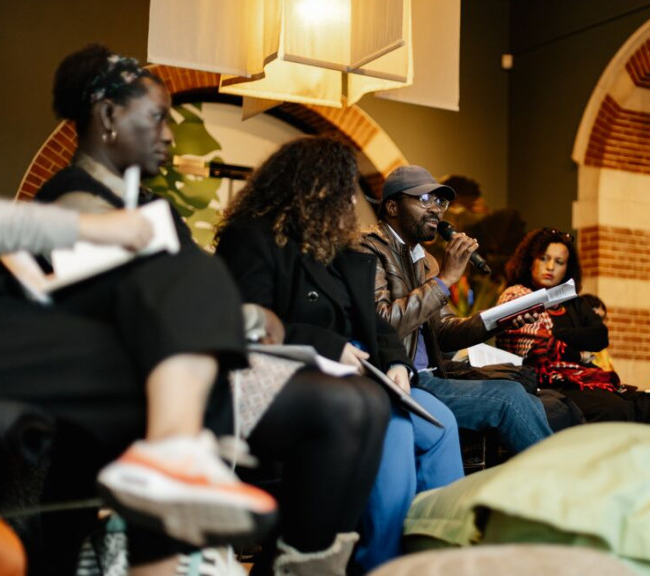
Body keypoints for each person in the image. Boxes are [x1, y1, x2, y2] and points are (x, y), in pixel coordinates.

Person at [35, 45, 391, 575]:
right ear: (108, 116)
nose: (169, 133)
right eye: (156, 117)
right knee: (342, 407)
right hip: (138, 386)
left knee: (368, 402)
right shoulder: (73, 202)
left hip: (198, 368)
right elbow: (142, 305)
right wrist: (247, 317)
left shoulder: (149, 206)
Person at [0, 180, 278, 576]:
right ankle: (172, 463)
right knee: (172, 346)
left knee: (185, 316)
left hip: (11, 296)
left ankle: (171, 452)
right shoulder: (72, 188)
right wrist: (92, 228)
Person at [214, 137, 464, 572]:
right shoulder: (253, 238)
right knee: (394, 428)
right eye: (344, 189)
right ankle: (380, 563)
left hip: (369, 371)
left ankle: (440, 559)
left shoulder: (340, 252)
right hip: (294, 374)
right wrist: (333, 347)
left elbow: (376, 323)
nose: (352, 201)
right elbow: (245, 320)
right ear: (310, 186)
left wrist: (397, 363)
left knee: (442, 424)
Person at [360, 166, 554, 453]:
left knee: (527, 394)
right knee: (508, 399)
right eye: (424, 199)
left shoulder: (424, 260)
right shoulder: (367, 249)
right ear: (392, 207)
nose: (436, 209)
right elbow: (383, 324)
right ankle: (563, 478)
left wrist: (500, 320)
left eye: (440, 201)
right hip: (398, 379)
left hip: (431, 376)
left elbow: (444, 332)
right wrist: (445, 280)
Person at [496, 228, 650, 423]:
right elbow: (541, 347)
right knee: (617, 410)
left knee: (647, 406)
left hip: (580, 378)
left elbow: (600, 336)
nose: (550, 267)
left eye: (559, 262)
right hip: (545, 383)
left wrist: (558, 334)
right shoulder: (516, 295)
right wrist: (579, 350)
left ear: (567, 268)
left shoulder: (572, 302)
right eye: (544, 258)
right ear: (530, 261)